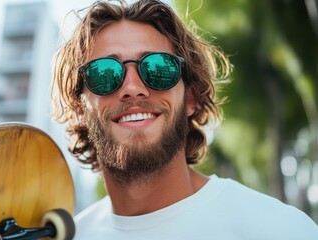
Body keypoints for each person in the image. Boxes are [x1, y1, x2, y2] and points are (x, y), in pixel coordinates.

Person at [51, 0, 318, 239]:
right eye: (104, 73)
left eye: (158, 68)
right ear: (80, 109)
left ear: (191, 98)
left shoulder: (280, 229)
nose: (133, 87)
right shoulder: (69, 236)